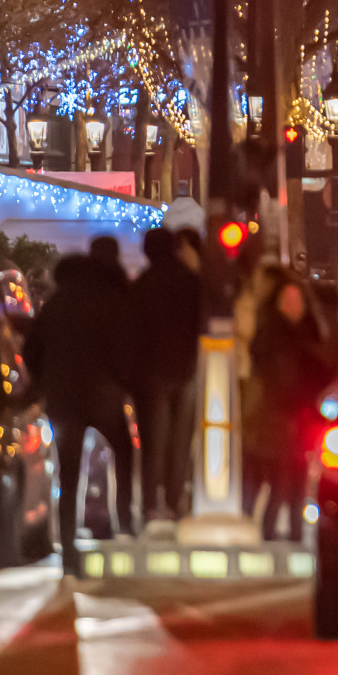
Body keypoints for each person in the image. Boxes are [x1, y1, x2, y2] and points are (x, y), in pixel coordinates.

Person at [31, 235, 141, 553]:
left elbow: (32, 349)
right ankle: (125, 522)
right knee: (123, 451)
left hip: (63, 398)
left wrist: (44, 383)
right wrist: (122, 383)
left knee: (68, 470)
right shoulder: (111, 299)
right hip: (103, 394)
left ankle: (67, 538)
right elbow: (124, 347)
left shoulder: (56, 304)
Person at [130, 225, 207, 530]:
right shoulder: (191, 282)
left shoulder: (143, 285)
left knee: (154, 442)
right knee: (180, 440)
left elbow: (134, 334)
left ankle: (150, 505)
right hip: (185, 370)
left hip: (152, 375)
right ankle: (175, 502)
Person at [247, 275, 335, 539]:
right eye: (287, 300)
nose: (292, 306)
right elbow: (271, 376)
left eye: (297, 300)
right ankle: (270, 534)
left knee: (297, 482)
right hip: (279, 418)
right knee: (281, 482)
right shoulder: (271, 334)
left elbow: (323, 373)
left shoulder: (312, 333)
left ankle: (295, 535)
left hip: (303, 419)